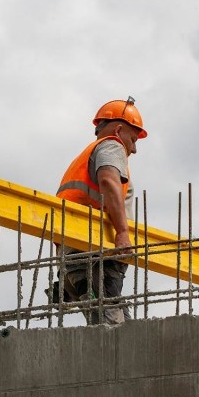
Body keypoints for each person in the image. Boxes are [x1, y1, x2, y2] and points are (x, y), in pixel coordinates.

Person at [52, 97, 148, 325]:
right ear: (118, 129)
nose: (133, 149)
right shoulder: (112, 145)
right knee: (112, 334)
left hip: (78, 258)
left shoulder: (84, 157)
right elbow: (109, 181)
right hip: (95, 258)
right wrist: (122, 232)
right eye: (133, 139)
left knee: (122, 328)